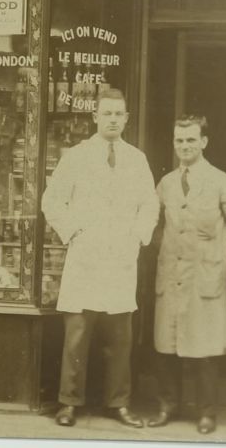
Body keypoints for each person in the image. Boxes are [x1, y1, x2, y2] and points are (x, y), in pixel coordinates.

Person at [40, 88, 159, 428]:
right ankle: (69, 402)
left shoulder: (136, 159)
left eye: (118, 114)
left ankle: (118, 403)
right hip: (86, 257)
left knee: (121, 336)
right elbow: (52, 201)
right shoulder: (76, 156)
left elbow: (150, 203)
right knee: (77, 333)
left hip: (120, 257)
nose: (112, 120)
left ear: (126, 118)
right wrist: (73, 231)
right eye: (105, 114)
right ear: (94, 117)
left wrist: (138, 236)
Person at [148, 115, 226, 435]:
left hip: (203, 277)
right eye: (179, 140)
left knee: (205, 349)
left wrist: (218, 258)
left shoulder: (222, 181)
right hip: (171, 274)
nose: (184, 146)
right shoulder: (165, 183)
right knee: (167, 346)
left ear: (204, 142)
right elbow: (152, 224)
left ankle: (207, 413)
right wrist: (164, 249)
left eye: (191, 140)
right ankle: (168, 406)